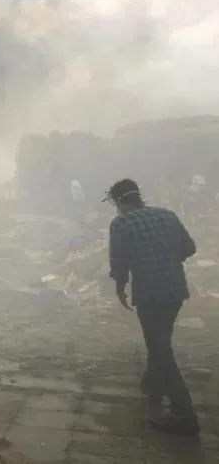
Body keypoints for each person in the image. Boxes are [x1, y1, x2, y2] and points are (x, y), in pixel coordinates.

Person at [105, 178, 199, 435]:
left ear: (118, 201)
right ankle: (152, 386)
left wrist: (119, 288)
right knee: (160, 342)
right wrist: (168, 258)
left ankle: (185, 412)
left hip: (149, 294)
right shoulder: (167, 215)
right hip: (175, 291)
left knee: (160, 348)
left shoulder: (121, 223)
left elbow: (119, 262)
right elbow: (189, 247)